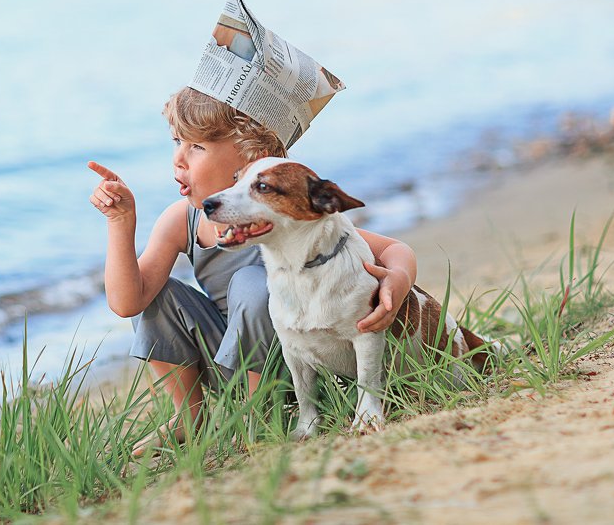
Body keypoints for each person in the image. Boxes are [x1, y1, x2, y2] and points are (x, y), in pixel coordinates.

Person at [87, 86, 417, 455]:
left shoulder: (292, 219)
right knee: (156, 291)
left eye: (197, 147)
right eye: (177, 141)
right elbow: (128, 302)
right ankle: (188, 417)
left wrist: (398, 280)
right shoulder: (182, 219)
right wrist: (120, 221)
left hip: (290, 363)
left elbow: (394, 249)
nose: (178, 159)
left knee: (250, 282)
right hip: (226, 359)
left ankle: (257, 414)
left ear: (253, 157)